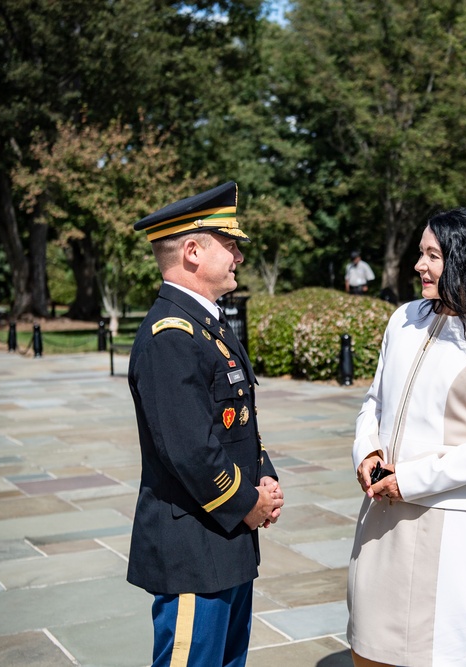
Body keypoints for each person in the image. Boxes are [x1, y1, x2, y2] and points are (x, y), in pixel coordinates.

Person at [346, 207, 466, 667]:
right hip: (380, 513)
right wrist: (367, 450)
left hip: (445, 518)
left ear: (465, 261)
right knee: (369, 644)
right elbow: (374, 401)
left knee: (439, 651)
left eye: (433, 255)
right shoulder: (404, 319)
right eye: (420, 253)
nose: (420, 265)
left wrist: (411, 478)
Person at [127, 181, 284, 667]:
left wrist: (266, 476)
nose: (237, 256)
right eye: (229, 244)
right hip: (194, 547)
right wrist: (247, 502)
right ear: (192, 251)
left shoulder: (208, 324)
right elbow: (189, 449)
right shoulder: (171, 335)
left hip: (226, 538)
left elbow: (238, 423)